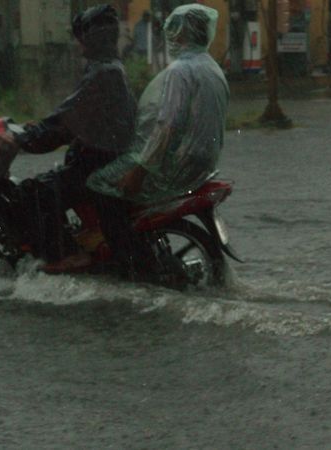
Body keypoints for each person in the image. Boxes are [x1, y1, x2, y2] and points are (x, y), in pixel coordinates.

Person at [87, 3, 230, 278]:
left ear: (181, 35)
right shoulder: (212, 68)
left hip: (175, 166)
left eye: (174, 31)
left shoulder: (180, 71)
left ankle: (125, 258)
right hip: (202, 164)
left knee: (98, 183)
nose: (171, 37)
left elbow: (168, 126)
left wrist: (139, 170)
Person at [0, 4, 136, 271]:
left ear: (92, 38)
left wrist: (26, 138)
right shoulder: (109, 67)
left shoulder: (102, 72)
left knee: (35, 192)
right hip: (106, 157)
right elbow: (73, 116)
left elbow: (65, 122)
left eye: (81, 37)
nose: (78, 43)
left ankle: (67, 255)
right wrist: (38, 128)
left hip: (96, 164)